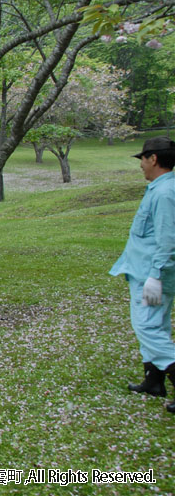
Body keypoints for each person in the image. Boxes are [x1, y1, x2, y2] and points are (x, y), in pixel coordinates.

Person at [109, 137, 175, 414]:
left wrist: (155, 275)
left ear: (154, 159)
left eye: (143, 160)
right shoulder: (160, 188)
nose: (141, 166)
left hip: (151, 273)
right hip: (145, 270)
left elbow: (167, 238)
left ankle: (166, 374)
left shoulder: (164, 193)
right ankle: (154, 380)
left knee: (147, 327)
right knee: (155, 325)